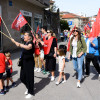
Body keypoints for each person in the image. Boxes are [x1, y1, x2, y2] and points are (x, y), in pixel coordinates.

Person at [11, 31, 35, 99]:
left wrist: (19, 44)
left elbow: (28, 47)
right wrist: (14, 41)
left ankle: (31, 92)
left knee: (29, 78)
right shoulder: (25, 42)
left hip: (29, 63)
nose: (24, 36)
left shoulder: (30, 43)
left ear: (29, 37)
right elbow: (19, 45)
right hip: (24, 62)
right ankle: (28, 87)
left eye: (25, 35)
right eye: (24, 35)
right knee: (22, 77)